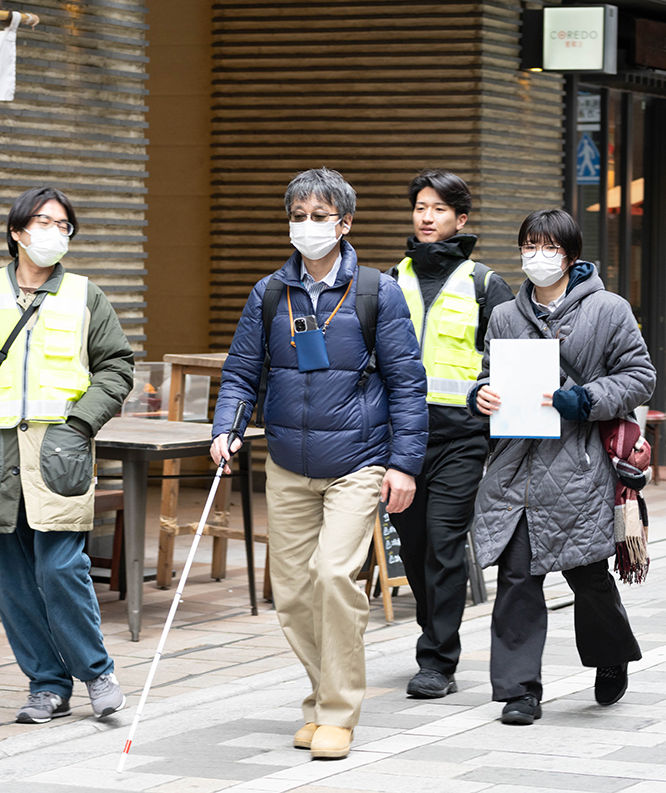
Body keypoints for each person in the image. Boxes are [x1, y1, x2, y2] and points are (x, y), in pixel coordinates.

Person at [210, 168, 428, 760]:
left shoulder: (376, 292)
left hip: (357, 461)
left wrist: (403, 465)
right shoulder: (269, 293)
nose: (307, 225)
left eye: (318, 215)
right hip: (286, 463)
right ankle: (320, 695)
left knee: (333, 575)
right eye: (298, 215)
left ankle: (337, 713)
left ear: (344, 223)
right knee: (293, 592)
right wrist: (225, 428)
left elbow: (408, 385)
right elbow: (241, 373)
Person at [0, 187, 134, 725]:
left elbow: (117, 368)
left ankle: (97, 673)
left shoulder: (86, 296)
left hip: (59, 454)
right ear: (16, 232)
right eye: (43, 222)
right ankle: (46, 685)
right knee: (12, 581)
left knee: (62, 567)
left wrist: (80, 422)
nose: (53, 233)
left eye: (63, 225)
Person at [469, 209, 655, 726]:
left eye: (548, 246)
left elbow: (640, 378)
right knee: (517, 578)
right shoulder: (506, 314)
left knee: (589, 575)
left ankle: (611, 654)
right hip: (516, 469)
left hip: (580, 466)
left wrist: (586, 398)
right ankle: (518, 691)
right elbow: (489, 376)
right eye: (529, 244)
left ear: (570, 255)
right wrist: (478, 395)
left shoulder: (608, 309)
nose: (537, 255)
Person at [388, 170, 512, 699]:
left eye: (439, 209)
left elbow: (508, 358)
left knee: (443, 543)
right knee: (414, 548)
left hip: (461, 439)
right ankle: (432, 631)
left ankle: (437, 660)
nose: (427, 217)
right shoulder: (391, 279)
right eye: (420, 207)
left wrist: (489, 389)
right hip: (402, 438)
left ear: (461, 219)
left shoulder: (486, 283)